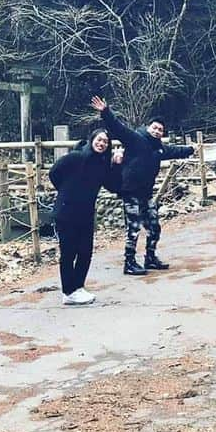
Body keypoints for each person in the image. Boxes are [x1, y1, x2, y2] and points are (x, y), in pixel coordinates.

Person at [90, 95, 194, 275]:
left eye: (160, 130)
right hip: (130, 191)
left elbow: (175, 151)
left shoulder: (159, 148)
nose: (157, 131)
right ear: (148, 127)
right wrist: (105, 112)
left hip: (146, 194)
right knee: (134, 227)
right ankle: (129, 262)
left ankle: (150, 257)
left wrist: (191, 149)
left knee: (154, 227)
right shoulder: (136, 139)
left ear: (163, 133)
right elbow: (117, 127)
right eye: (154, 127)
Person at [48, 127, 124, 305]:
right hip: (66, 212)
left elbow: (114, 186)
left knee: (85, 252)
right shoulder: (77, 157)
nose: (101, 144)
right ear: (92, 140)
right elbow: (54, 173)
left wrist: (117, 165)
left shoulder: (103, 164)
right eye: (99, 140)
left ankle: (78, 287)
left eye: (105, 142)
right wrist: (66, 191)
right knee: (68, 253)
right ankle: (68, 291)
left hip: (86, 213)